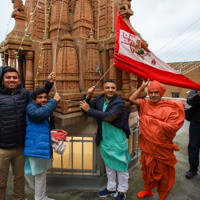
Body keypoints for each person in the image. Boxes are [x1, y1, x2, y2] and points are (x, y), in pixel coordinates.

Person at [0, 66, 55, 200]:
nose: (12, 80)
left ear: (19, 80)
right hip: (2, 147)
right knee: (1, 182)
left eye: (14, 77)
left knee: (19, 178)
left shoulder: (24, 94)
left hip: (20, 146)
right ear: (2, 80)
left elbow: (39, 95)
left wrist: (49, 83)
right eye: (8, 77)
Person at [129, 80, 185, 200]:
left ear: (160, 94)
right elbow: (132, 99)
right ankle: (148, 190)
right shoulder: (145, 103)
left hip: (162, 148)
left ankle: (163, 195)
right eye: (151, 92)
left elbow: (173, 127)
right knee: (147, 171)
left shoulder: (169, 107)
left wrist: (151, 121)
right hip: (148, 148)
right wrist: (142, 87)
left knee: (164, 174)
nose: (153, 95)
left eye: (156, 92)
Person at [80, 80, 131, 200]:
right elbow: (84, 108)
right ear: (103, 90)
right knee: (109, 165)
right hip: (105, 138)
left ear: (116, 90)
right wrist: (88, 95)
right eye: (107, 87)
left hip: (117, 138)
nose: (110, 90)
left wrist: (89, 110)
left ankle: (122, 191)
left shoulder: (119, 103)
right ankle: (111, 188)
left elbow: (108, 117)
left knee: (121, 166)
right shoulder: (100, 99)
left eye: (113, 88)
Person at [24, 88, 61, 200]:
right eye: (40, 97)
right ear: (34, 100)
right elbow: (39, 115)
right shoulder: (31, 107)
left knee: (41, 174)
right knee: (37, 174)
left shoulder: (44, 109)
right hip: (35, 146)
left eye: (45, 97)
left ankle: (41, 197)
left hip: (41, 146)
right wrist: (54, 101)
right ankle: (38, 198)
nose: (43, 99)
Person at [185, 90, 200, 179]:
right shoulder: (195, 89)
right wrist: (198, 95)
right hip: (196, 124)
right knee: (193, 147)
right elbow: (190, 101)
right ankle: (193, 169)